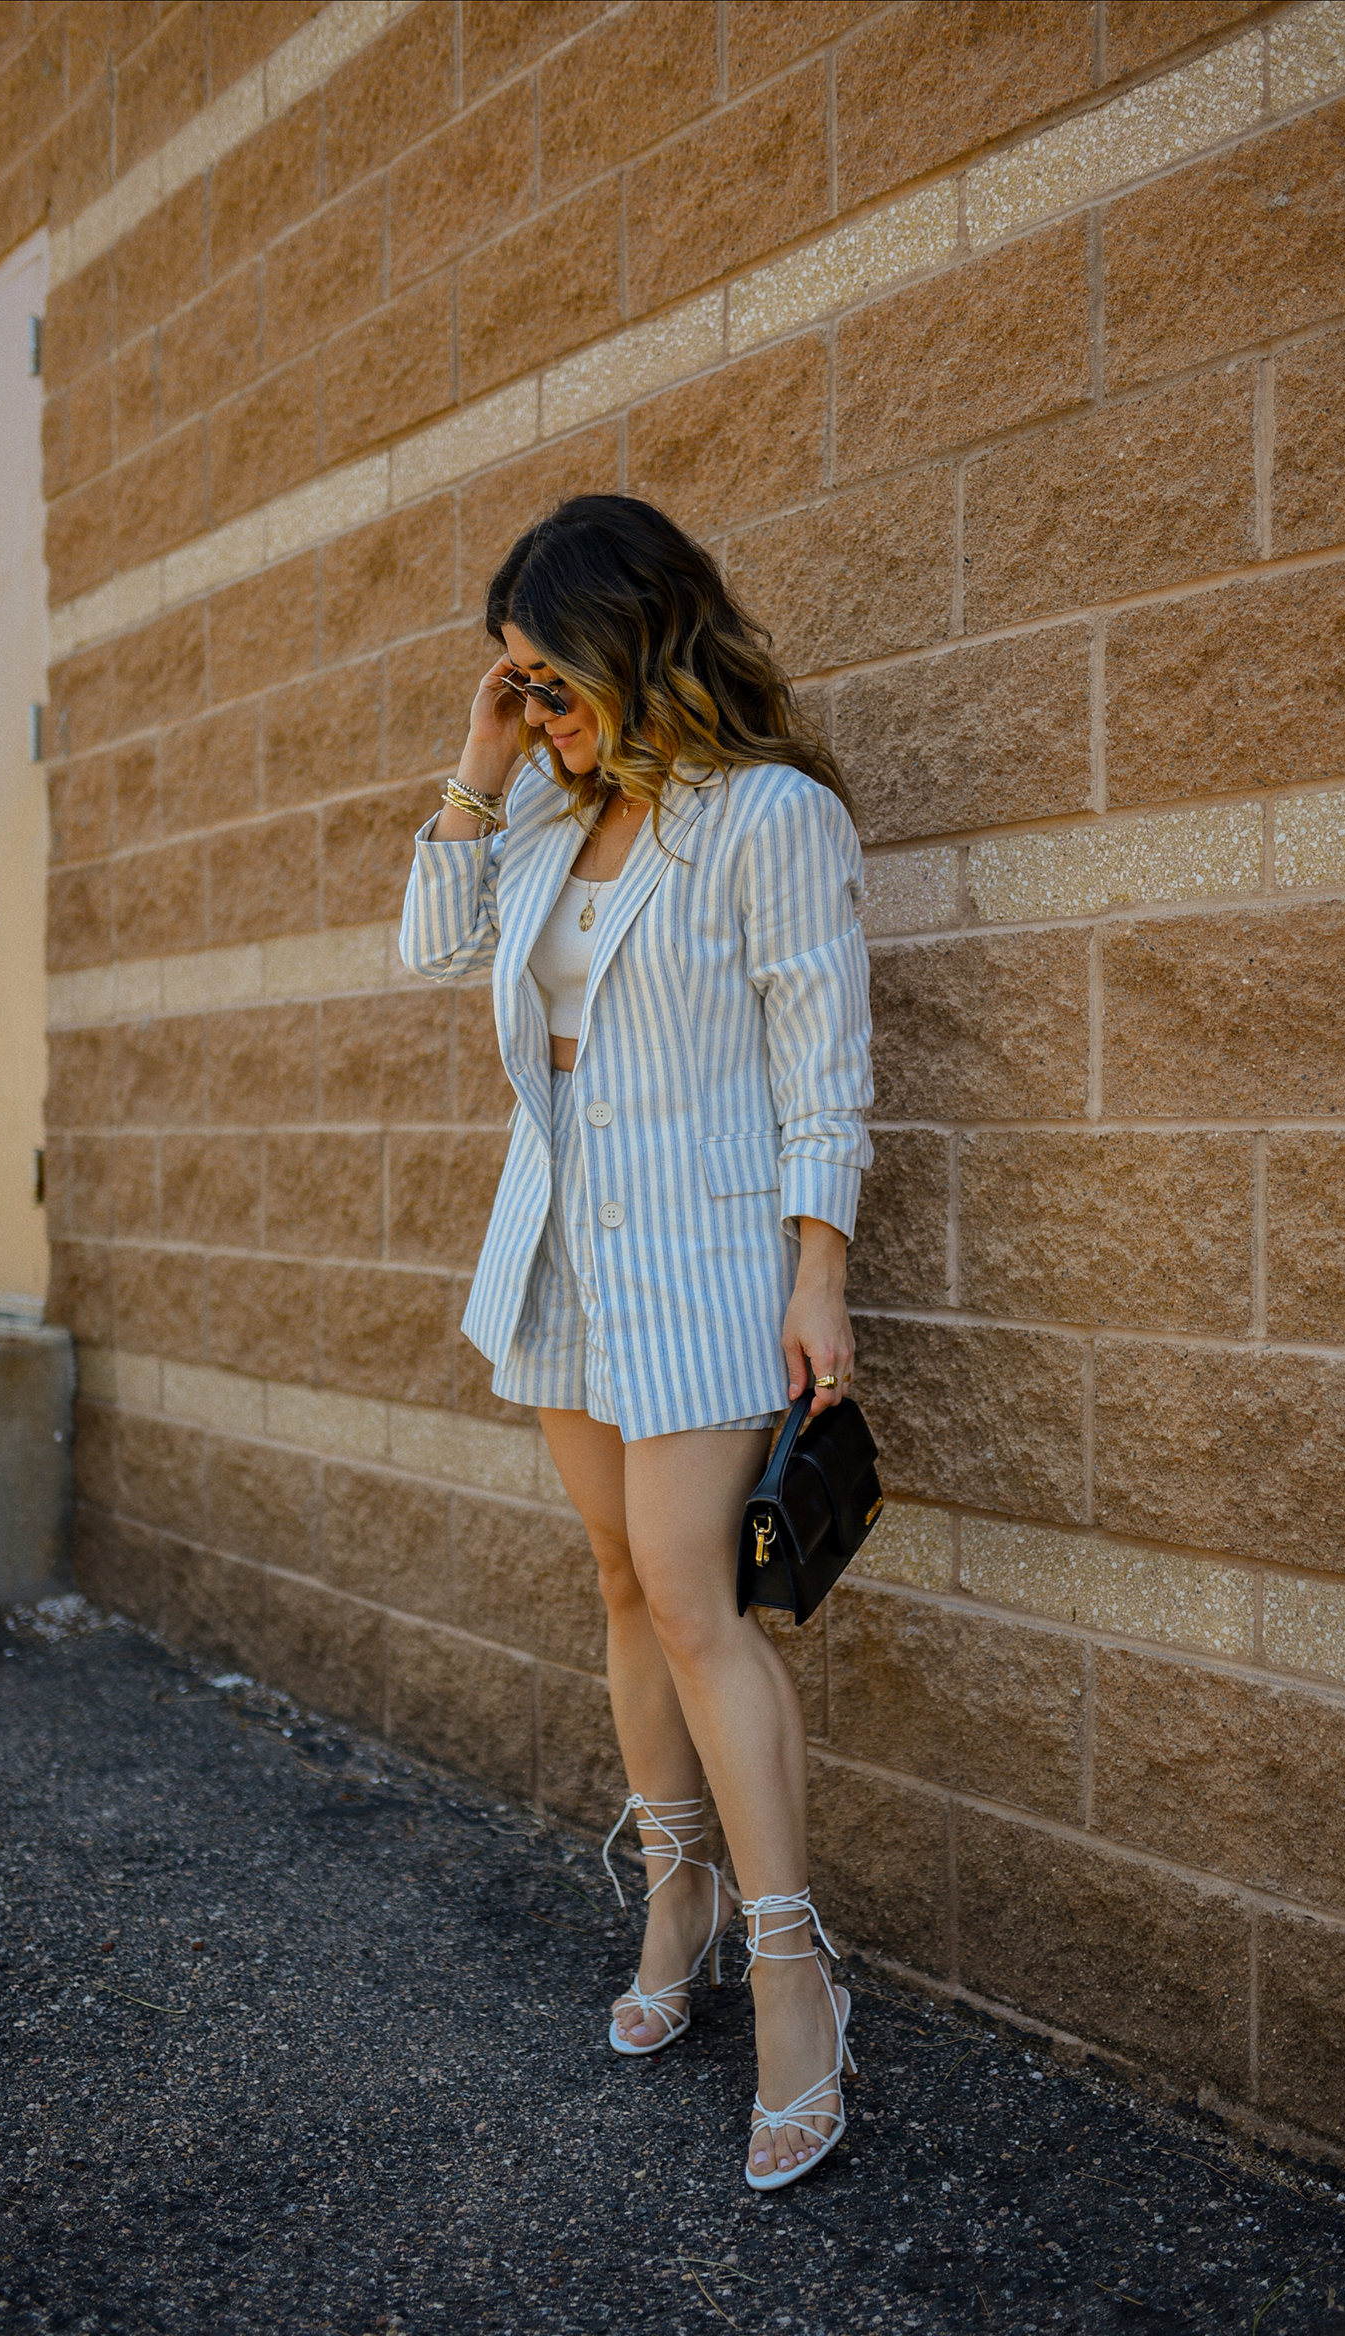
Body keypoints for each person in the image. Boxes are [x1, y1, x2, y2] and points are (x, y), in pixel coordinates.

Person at [398, 495, 873, 2188]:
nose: (541, 706)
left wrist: (819, 1274)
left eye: (553, 672)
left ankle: (794, 1967)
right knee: (619, 1581)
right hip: (560, 1258)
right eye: (516, 681)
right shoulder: (541, 810)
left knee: (694, 1595)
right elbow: (428, 936)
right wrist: (484, 749)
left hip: (702, 1264)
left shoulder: (770, 817)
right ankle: (675, 1882)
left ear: (639, 630)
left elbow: (825, 1065)